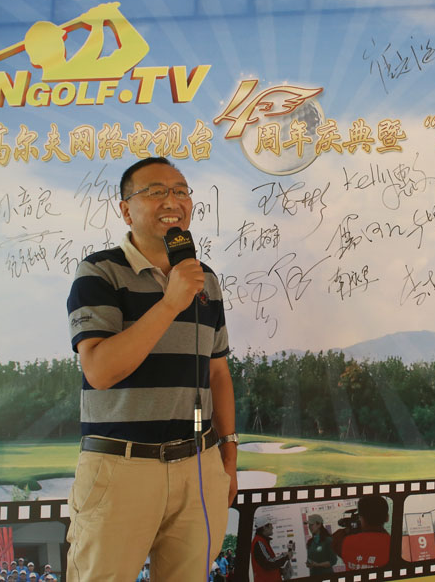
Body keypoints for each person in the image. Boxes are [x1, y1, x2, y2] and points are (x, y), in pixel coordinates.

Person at [66, 157, 238, 581]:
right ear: (126, 210)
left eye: (180, 191)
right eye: (156, 191)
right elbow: (99, 371)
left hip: (199, 466)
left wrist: (228, 458)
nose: (172, 201)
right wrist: (171, 302)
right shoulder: (99, 272)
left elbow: (217, 374)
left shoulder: (204, 279)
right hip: (121, 468)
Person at [338, 496, 391, 571]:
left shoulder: (346, 541)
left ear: (361, 518)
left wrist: (347, 530)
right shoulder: (392, 543)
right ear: (387, 518)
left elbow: (335, 542)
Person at [250, 516, 292, 582]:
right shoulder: (259, 542)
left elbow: (265, 564)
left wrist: (280, 571)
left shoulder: (262, 541)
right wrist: (285, 556)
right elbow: (268, 563)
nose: (272, 527)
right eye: (270, 525)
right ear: (264, 527)